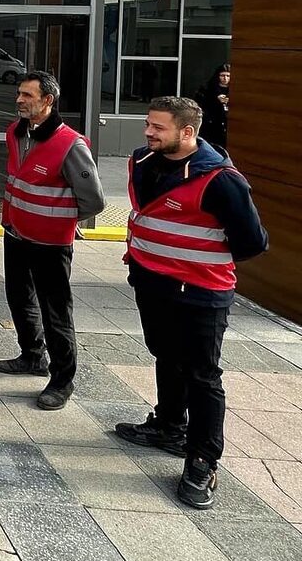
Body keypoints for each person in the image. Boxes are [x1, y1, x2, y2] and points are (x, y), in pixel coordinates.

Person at [114, 96, 267, 510]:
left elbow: (253, 242)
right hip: (152, 283)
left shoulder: (221, 180)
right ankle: (168, 426)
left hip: (200, 294)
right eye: (148, 124)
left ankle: (202, 459)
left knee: (202, 376)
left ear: (187, 132)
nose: (148, 132)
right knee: (165, 355)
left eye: (158, 127)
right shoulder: (143, 162)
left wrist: (191, 259)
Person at [0, 71, 105, 411]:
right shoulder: (15, 132)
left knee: (56, 312)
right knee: (19, 298)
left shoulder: (70, 144)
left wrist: (62, 221)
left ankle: (62, 380)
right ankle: (31, 356)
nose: (19, 100)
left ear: (47, 101)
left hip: (51, 244)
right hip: (15, 234)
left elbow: (94, 200)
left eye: (27, 95)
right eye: (19, 94)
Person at [194, 63, 231, 150]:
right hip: (212, 124)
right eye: (222, 76)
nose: (225, 79)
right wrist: (215, 99)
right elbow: (201, 104)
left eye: (228, 76)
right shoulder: (208, 88)